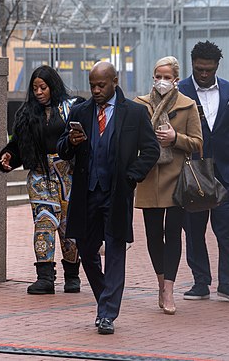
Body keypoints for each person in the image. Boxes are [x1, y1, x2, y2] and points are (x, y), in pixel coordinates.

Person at [57, 61, 159, 334]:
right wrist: (71, 142)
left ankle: (107, 314)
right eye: (92, 86)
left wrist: (131, 176)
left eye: (101, 85)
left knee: (114, 250)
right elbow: (62, 148)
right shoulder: (81, 111)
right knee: (87, 251)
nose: (96, 90)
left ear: (115, 81)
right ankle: (106, 296)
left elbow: (151, 151)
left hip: (116, 194)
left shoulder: (135, 113)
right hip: (86, 193)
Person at [178, 41, 229, 302]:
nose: (204, 74)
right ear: (192, 64)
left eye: (209, 70)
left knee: (226, 228)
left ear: (217, 67)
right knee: (194, 229)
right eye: (200, 69)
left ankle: (228, 282)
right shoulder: (180, 91)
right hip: (193, 172)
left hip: (228, 172)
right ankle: (201, 282)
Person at [0, 65, 83, 294]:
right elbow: (18, 146)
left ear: (52, 86)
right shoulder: (25, 114)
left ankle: (72, 275)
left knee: (69, 226)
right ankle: (45, 277)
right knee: (44, 223)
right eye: (34, 88)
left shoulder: (71, 108)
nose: (38, 92)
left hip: (68, 175)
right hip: (39, 176)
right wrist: (8, 156)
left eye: (43, 87)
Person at [133, 56, 203, 315]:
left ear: (176, 79)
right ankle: (161, 283)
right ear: (153, 77)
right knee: (153, 234)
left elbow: (198, 142)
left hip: (177, 179)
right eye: (158, 76)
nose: (162, 81)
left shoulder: (187, 105)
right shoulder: (139, 105)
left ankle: (170, 290)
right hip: (149, 177)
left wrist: (176, 138)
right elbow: (130, 139)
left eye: (167, 77)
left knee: (174, 233)